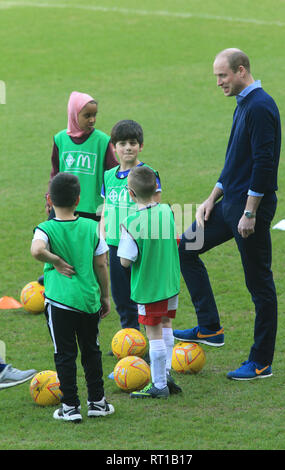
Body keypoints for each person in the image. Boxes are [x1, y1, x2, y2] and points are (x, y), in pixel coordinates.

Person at [173, 48, 281, 381]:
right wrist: (211, 198)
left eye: (223, 76)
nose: (219, 82)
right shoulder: (244, 104)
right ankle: (209, 327)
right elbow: (235, 160)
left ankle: (260, 362)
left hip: (250, 209)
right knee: (187, 248)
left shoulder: (260, 107)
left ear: (241, 70)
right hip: (228, 204)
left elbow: (263, 164)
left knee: (259, 285)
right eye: (217, 76)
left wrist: (250, 212)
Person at [31, 172, 114, 422]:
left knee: (64, 354)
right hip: (88, 301)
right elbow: (101, 265)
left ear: (49, 199)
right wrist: (106, 297)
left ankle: (70, 408)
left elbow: (36, 251)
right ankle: (97, 403)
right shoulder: (92, 227)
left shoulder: (45, 228)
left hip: (59, 302)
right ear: (78, 200)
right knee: (92, 351)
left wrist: (54, 260)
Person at [117, 165, 181, 398]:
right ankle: (166, 373)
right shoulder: (168, 210)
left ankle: (159, 385)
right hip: (171, 283)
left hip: (149, 288)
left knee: (153, 332)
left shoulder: (130, 222)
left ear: (130, 193)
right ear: (156, 189)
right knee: (166, 326)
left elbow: (125, 261)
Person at [101, 120, 161, 331]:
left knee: (142, 296)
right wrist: (103, 241)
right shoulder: (108, 176)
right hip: (116, 245)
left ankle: (149, 340)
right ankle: (129, 339)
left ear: (141, 146)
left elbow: (156, 210)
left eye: (133, 143)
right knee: (121, 297)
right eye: (123, 143)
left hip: (140, 247)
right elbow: (106, 210)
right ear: (114, 147)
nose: (128, 147)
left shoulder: (147, 174)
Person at [46, 91, 118, 221]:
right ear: (74, 115)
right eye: (87, 116)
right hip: (63, 205)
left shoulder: (102, 141)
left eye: (95, 115)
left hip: (93, 208)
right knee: (51, 237)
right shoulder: (60, 139)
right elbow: (55, 172)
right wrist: (49, 196)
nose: (92, 120)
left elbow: (114, 173)